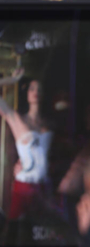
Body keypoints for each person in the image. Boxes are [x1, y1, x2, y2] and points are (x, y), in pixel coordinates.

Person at [0, 71, 53, 220]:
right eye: (32, 88)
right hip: (24, 187)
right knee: (16, 233)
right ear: (27, 93)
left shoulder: (49, 124)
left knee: (45, 232)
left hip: (44, 188)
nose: (36, 92)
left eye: (39, 89)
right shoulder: (18, 120)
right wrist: (13, 79)